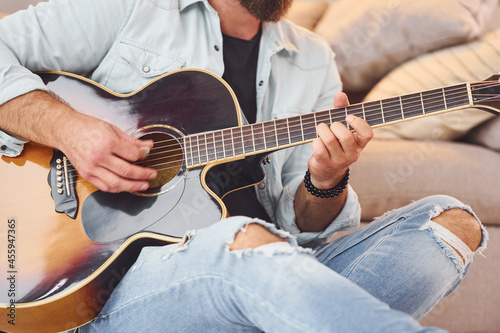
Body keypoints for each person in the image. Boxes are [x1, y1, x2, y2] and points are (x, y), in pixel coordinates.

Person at [0, 0, 487, 332]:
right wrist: (70, 130)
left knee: (450, 223)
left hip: (273, 267)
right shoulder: (132, 7)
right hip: (124, 288)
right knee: (246, 241)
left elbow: (310, 231)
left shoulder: (313, 59)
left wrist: (324, 180)